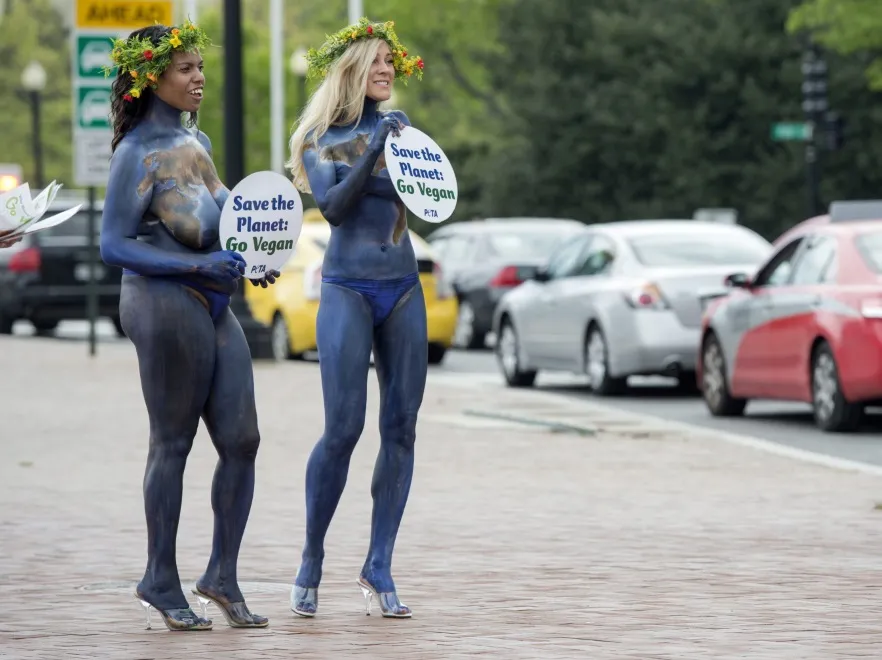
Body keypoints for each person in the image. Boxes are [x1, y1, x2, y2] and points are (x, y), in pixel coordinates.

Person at [100, 22, 278, 632]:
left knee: (243, 439)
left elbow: (225, 212)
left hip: (211, 300)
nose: (198, 77)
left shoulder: (193, 143)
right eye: (185, 69)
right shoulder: (137, 154)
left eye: (201, 67)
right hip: (161, 299)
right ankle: (158, 576)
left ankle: (221, 574)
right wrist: (200, 262)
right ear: (152, 78)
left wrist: (259, 250)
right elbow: (114, 244)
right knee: (172, 442)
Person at [286, 18, 426, 619]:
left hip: (402, 285)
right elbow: (336, 210)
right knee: (343, 428)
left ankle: (380, 561)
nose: (387, 71)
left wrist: (396, 155)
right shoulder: (320, 137)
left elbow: (429, 195)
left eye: (390, 63)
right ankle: (312, 555)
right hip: (346, 287)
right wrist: (372, 153)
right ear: (350, 72)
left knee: (401, 426)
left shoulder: (407, 133)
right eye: (376, 63)